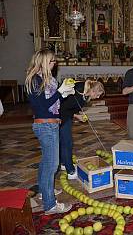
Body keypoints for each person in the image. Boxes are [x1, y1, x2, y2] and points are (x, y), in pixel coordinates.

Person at [25, 49, 74, 215]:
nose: (55, 64)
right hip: (45, 126)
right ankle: (50, 204)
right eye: (52, 61)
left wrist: (65, 92)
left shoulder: (48, 80)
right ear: (43, 62)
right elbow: (43, 106)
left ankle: (43, 190)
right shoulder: (34, 80)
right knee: (52, 165)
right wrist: (60, 92)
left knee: (46, 162)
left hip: (51, 124)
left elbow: (53, 102)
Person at [60, 80, 105, 179]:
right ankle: (70, 171)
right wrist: (76, 116)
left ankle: (63, 163)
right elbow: (63, 107)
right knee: (67, 143)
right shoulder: (77, 91)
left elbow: (73, 108)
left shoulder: (85, 94)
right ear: (93, 91)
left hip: (67, 116)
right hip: (60, 117)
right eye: (97, 95)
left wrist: (78, 114)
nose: (97, 97)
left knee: (62, 142)